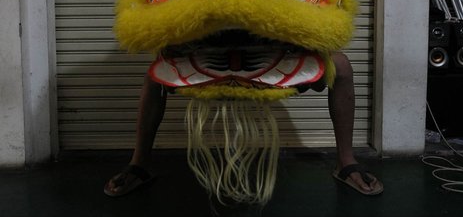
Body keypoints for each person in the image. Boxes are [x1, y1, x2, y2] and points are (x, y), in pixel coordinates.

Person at [104, 51, 384, 197]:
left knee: (341, 66)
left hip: (271, 50)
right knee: (155, 74)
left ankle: (346, 162)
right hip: (209, 52)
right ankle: (139, 164)